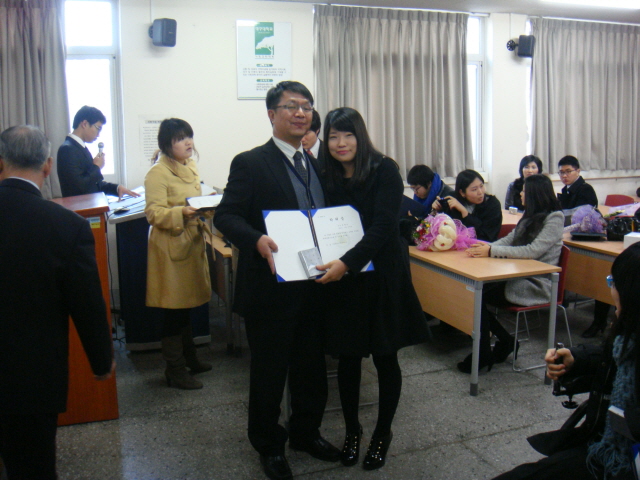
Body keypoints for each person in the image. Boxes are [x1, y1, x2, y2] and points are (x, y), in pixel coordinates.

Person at [214, 81, 339, 480]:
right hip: (271, 288)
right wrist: (256, 240)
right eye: (291, 106)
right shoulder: (251, 162)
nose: (301, 113)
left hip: (315, 285)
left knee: (310, 368)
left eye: (307, 106)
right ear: (272, 114)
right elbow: (225, 216)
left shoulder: (316, 164)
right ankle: (269, 445)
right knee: (269, 373)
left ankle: (306, 433)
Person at [315, 107, 430, 470]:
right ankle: (353, 431)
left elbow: (383, 227)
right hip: (346, 279)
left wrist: (346, 262)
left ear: (360, 136)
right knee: (348, 356)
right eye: (333, 136)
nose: (341, 143)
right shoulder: (325, 173)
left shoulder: (385, 169)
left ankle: (382, 433)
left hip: (381, 274)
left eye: (348, 135)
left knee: (385, 356)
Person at [0, 125, 114, 480]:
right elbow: (87, 303)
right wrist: (101, 360)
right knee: (32, 467)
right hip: (30, 378)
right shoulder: (66, 226)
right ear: (48, 166)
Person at [492, 242, 640, 480]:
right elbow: (612, 360)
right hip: (604, 444)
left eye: (614, 284)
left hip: (618, 459)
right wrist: (576, 359)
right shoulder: (628, 337)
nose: (612, 292)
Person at [461, 174, 564, 373]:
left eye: (524, 191)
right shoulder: (530, 215)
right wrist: (485, 247)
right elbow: (510, 239)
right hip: (517, 274)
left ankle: (485, 351)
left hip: (536, 282)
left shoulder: (555, 218)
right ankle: (503, 342)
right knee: (472, 293)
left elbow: (532, 251)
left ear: (534, 194)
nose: (521, 194)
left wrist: (492, 251)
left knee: (477, 295)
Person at [144, 118, 212, 391]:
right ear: (166, 144)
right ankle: (174, 369)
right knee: (174, 310)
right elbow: (153, 213)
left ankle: (190, 359)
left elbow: (194, 197)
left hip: (190, 242)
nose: (188, 143)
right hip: (170, 247)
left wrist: (205, 207)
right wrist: (180, 212)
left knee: (186, 307)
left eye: (189, 136)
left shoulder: (189, 165)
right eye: (180, 138)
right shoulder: (158, 173)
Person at [555, 156, 606, 339]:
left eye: (568, 171)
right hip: (571, 238)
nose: (564, 175)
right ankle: (560, 300)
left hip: (588, 241)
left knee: (598, 277)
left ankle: (600, 321)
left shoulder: (585, 190)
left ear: (578, 171)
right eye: (561, 172)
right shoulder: (566, 190)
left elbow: (581, 218)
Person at [57, 105, 139, 199]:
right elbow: (79, 187)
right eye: (98, 128)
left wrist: (116, 188)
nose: (99, 134)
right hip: (80, 207)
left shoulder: (80, 147)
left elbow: (93, 184)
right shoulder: (67, 149)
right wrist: (96, 167)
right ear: (84, 124)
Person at [432, 169, 502, 242]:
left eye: (481, 186)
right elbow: (443, 230)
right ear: (462, 193)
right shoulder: (452, 200)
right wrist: (437, 210)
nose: (480, 192)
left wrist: (465, 213)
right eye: (474, 189)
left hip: (483, 246)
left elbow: (486, 237)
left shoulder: (492, 204)